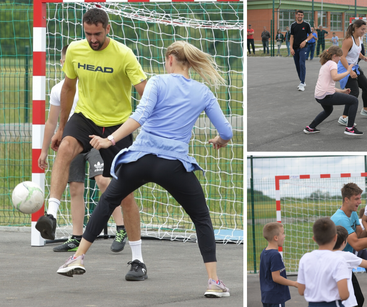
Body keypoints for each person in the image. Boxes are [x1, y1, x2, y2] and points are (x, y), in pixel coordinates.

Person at [56, 40, 233, 298]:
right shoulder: (203, 92)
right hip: (173, 165)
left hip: (141, 159)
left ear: (171, 58)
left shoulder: (158, 82)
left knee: (107, 201)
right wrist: (220, 141)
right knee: (202, 219)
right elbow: (226, 131)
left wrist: (110, 139)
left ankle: (78, 257)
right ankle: (213, 282)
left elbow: (140, 115)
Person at [35, 8, 147, 281]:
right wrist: (61, 127)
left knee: (126, 194)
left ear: (107, 28)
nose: (92, 39)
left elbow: (145, 92)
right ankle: (50, 215)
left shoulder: (124, 54)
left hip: (116, 127)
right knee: (65, 148)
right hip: (84, 117)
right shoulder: (75, 50)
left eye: (97, 34)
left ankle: (138, 260)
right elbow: (68, 88)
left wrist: (145, 127)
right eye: (88, 34)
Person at [38, 44, 127, 253]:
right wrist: (43, 150)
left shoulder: (90, 85)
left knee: (104, 181)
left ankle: (121, 228)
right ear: (63, 63)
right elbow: (51, 122)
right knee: (75, 188)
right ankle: (76, 237)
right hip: (71, 142)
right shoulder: (58, 89)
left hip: (93, 139)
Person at [331, 183, 367, 307]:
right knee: (350, 300)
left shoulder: (353, 213)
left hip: (344, 263)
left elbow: (359, 236)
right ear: (346, 199)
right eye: (356, 199)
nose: (360, 202)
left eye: (360, 198)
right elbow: (357, 245)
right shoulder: (340, 219)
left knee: (357, 299)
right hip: (334, 265)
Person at [303, 46, 362, 136]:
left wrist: (342, 91)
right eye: (339, 56)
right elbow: (335, 77)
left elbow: (327, 86)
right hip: (326, 95)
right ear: (334, 56)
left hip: (319, 95)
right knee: (354, 100)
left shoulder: (325, 64)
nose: (340, 59)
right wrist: (348, 71)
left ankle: (310, 127)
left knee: (328, 110)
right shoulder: (333, 63)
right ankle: (350, 128)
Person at [297, 217, 351, 306]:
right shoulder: (338, 260)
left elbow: (301, 290)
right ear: (335, 237)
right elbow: (344, 295)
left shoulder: (305, 258)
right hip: (332, 304)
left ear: (314, 239)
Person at [336, 19, 367, 127]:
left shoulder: (359, 38)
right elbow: (342, 57)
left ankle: (366, 110)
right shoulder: (348, 40)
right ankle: (344, 117)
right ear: (355, 28)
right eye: (362, 29)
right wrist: (349, 72)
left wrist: (363, 58)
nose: (364, 31)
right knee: (353, 92)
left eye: (365, 29)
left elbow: (356, 52)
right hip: (345, 68)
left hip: (354, 67)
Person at [333, 225, 367, 299]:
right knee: (360, 299)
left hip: (330, 298)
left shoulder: (324, 255)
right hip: (347, 300)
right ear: (344, 242)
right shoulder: (347, 256)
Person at [260, 222, 299, 307]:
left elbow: (261, 273)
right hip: (275, 297)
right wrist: (294, 283)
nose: (284, 236)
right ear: (276, 238)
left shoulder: (264, 252)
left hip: (266, 296)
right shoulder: (275, 255)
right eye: (283, 233)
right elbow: (276, 277)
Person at [290, 10, 313, 92]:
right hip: (295, 48)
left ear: (303, 16)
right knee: (297, 65)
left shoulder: (306, 25)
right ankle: (302, 80)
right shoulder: (293, 25)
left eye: (301, 15)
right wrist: (291, 48)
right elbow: (291, 37)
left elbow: (311, 35)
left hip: (303, 48)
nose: (300, 16)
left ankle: (302, 83)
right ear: (296, 15)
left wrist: (305, 41)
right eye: (298, 15)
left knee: (301, 63)